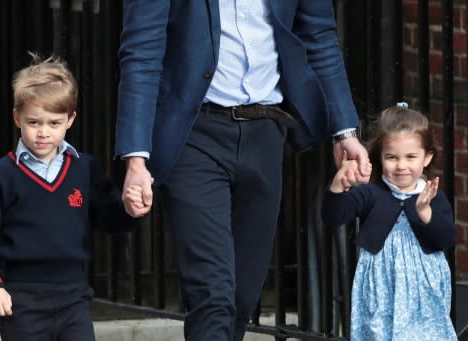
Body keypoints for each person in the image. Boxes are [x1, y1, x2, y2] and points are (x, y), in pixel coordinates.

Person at [115, 1, 370, 340]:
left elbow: (320, 36)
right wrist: (136, 160)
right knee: (212, 295)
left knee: (241, 297)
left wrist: (345, 131)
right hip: (194, 135)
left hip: (266, 132)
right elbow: (141, 52)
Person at [0, 54, 138, 341]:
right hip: (21, 301)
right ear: (17, 117)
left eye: (54, 123)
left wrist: (131, 210)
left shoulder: (85, 168)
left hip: (73, 299)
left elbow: (109, 217)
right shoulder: (0, 176)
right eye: (34, 122)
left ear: (70, 120)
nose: (43, 133)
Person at [322, 105, 457, 340]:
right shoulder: (370, 193)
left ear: (427, 157)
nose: (401, 165)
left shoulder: (431, 195)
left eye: (411, 157)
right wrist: (338, 183)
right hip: (380, 284)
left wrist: (425, 212)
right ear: (380, 157)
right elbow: (333, 216)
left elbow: (446, 238)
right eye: (392, 157)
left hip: (423, 289)